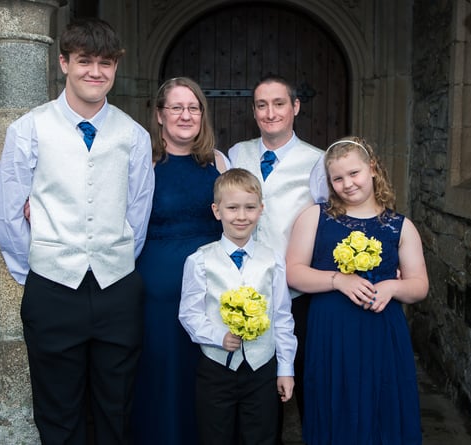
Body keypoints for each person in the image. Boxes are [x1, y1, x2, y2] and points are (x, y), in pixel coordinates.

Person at [0, 18, 154, 444]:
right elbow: (9, 213)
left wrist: (112, 258)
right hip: (51, 289)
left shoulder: (133, 136)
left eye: (105, 63)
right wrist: (38, 273)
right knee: (57, 411)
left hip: (117, 289)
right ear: (64, 62)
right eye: (85, 61)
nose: (95, 72)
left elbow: (137, 215)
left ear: (116, 68)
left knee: (115, 408)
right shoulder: (29, 128)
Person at [286, 137, 429, 445]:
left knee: (382, 405)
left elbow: (419, 286)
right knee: (336, 403)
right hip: (332, 332)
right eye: (337, 178)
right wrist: (338, 280)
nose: (347, 184)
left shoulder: (399, 226)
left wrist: (393, 286)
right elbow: (293, 272)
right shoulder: (315, 217)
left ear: (372, 169)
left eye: (354, 174)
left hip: (382, 333)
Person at [130, 77, 229, 444]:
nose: (186, 115)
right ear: (159, 115)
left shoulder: (218, 161)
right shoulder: (144, 162)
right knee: (164, 371)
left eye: (194, 108)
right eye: (176, 107)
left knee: (207, 371)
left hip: (212, 284)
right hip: (159, 288)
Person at [227, 74, 325, 436]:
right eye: (262, 105)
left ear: (295, 107)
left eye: (279, 104)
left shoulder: (317, 162)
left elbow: (332, 222)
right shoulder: (237, 153)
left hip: (295, 295)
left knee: (300, 382)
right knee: (253, 391)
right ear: (254, 111)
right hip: (243, 290)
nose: (271, 113)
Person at [179, 168, 297, 445]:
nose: (241, 216)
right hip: (216, 370)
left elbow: (281, 316)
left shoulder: (273, 260)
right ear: (217, 210)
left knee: (261, 436)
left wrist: (285, 369)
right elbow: (190, 314)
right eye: (232, 208)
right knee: (215, 436)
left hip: (262, 369)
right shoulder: (198, 261)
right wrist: (218, 336)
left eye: (249, 208)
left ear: (261, 209)